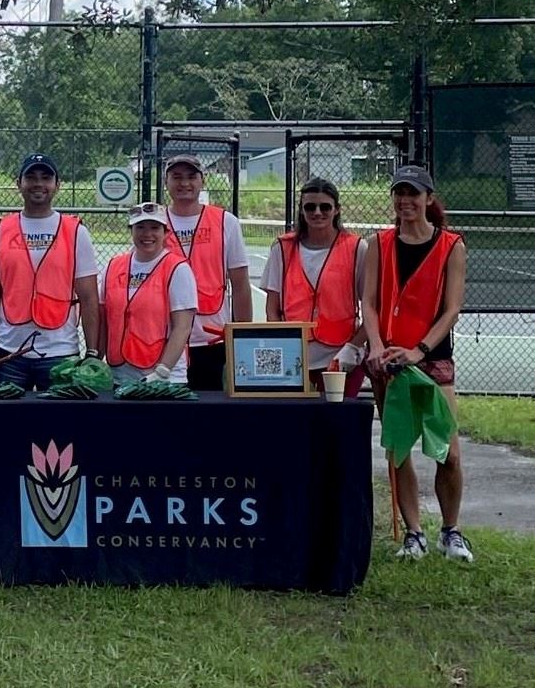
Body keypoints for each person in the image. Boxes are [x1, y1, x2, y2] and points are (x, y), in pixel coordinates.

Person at [361, 165, 472, 562]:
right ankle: (414, 533)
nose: (405, 200)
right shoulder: (379, 243)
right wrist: (376, 346)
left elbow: (452, 309)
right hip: (389, 361)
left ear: (428, 198)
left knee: (449, 452)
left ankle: (451, 531)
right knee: (400, 450)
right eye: (399, 193)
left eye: (413, 193)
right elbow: (369, 303)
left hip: (432, 359)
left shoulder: (451, 246)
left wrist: (420, 350)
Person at [0, 153, 100, 391]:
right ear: (19, 183)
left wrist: (93, 351)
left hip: (61, 353)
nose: (38, 183)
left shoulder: (75, 232)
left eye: (46, 177)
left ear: (57, 185)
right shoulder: (0, 231)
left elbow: (89, 298)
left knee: (59, 427)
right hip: (8, 352)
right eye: (31, 177)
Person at [261, 178, 367, 391]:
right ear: (301, 210)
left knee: (337, 422)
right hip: (295, 358)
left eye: (325, 206)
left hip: (340, 356)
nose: (317, 212)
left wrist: (353, 347)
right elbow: (272, 308)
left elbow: (372, 307)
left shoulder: (357, 248)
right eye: (310, 206)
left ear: (337, 209)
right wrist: (283, 348)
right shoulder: (282, 248)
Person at [162, 154, 251, 390]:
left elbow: (240, 284)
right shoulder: (155, 224)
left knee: (210, 418)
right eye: (176, 177)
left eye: (191, 177)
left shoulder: (226, 222)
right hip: (165, 341)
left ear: (203, 181)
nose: (184, 183)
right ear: (166, 182)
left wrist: (242, 338)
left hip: (213, 340)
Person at [99, 203, 197, 384]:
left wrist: (163, 370)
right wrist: (96, 361)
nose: (147, 234)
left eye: (154, 228)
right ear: (131, 230)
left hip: (162, 379)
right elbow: (104, 320)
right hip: (120, 377)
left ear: (165, 233)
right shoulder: (113, 266)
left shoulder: (178, 269)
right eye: (140, 227)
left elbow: (182, 328)